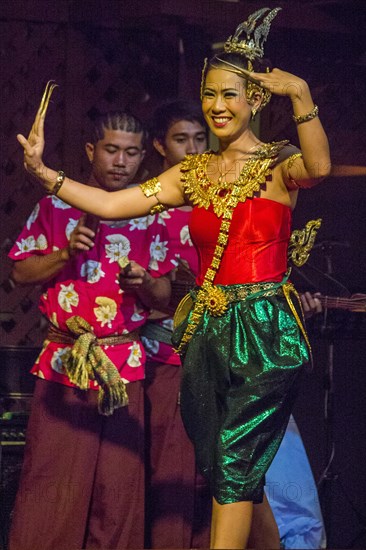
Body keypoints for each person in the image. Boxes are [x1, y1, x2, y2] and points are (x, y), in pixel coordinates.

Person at [16, 7, 331, 548]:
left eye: (230, 94)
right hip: (207, 330)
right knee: (223, 464)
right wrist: (48, 175)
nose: (216, 106)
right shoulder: (192, 173)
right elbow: (114, 203)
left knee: (233, 462)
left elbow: (320, 168)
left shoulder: (280, 163)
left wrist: (301, 96)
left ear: (255, 100)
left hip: (265, 328)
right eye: (209, 94)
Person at [8, 111, 175, 550]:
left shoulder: (154, 217)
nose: (121, 161)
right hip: (66, 363)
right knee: (53, 488)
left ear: (144, 158)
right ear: (91, 151)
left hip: (125, 365)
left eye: (132, 152)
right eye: (112, 149)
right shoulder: (54, 207)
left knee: (117, 493)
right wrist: (64, 253)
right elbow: (19, 275)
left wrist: (146, 283)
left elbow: (166, 299)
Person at [141, 99, 211, 549]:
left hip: (219, 351)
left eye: (200, 139)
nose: (192, 149)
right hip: (165, 352)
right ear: (160, 146)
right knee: (168, 466)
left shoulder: (221, 202)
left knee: (212, 470)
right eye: (181, 139)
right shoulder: (148, 207)